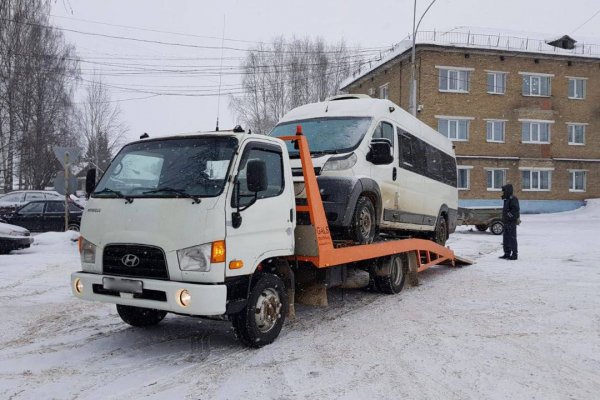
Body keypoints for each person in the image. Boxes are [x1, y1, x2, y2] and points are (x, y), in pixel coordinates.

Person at [499, 183, 520, 260]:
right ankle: (507, 253)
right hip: (506, 222)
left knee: (512, 238)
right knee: (506, 238)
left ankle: (514, 254)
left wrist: (508, 216)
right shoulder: (507, 199)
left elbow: (515, 210)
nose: (503, 192)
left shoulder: (513, 199)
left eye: (504, 191)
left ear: (508, 190)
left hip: (511, 222)